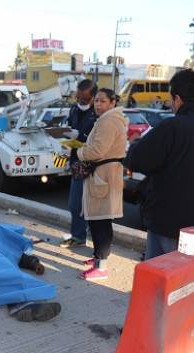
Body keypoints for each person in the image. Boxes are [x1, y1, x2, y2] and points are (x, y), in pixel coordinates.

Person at [124, 69, 194, 260]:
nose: (171, 105)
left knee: (160, 276)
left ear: (178, 99)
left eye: (171, 100)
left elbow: (137, 160)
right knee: (184, 275)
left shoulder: (172, 127)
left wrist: (134, 144)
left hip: (166, 221)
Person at [73, 88, 128, 279]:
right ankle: (99, 257)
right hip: (104, 173)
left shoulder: (109, 120)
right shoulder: (108, 119)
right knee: (99, 219)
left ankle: (101, 266)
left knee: (100, 221)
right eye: (96, 101)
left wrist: (79, 152)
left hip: (103, 174)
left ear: (113, 102)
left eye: (103, 101)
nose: (98, 104)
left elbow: (97, 150)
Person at [59, 79, 97, 249]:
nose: (81, 102)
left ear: (93, 97)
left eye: (84, 99)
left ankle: (90, 241)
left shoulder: (98, 113)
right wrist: (64, 133)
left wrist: (79, 135)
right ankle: (78, 236)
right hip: (76, 161)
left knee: (90, 205)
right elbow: (69, 126)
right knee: (75, 204)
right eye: (79, 98)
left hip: (92, 162)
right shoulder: (74, 109)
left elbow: (95, 139)